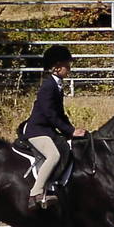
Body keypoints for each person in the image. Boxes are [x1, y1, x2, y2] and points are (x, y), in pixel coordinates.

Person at [22, 45, 86, 209]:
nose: (69, 68)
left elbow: (60, 114)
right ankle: (35, 193)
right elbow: (50, 114)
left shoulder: (57, 85)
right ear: (57, 67)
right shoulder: (48, 87)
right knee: (53, 155)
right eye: (67, 65)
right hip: (37, 131)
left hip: (48, 131)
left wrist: (72, 131)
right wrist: (70, 131)